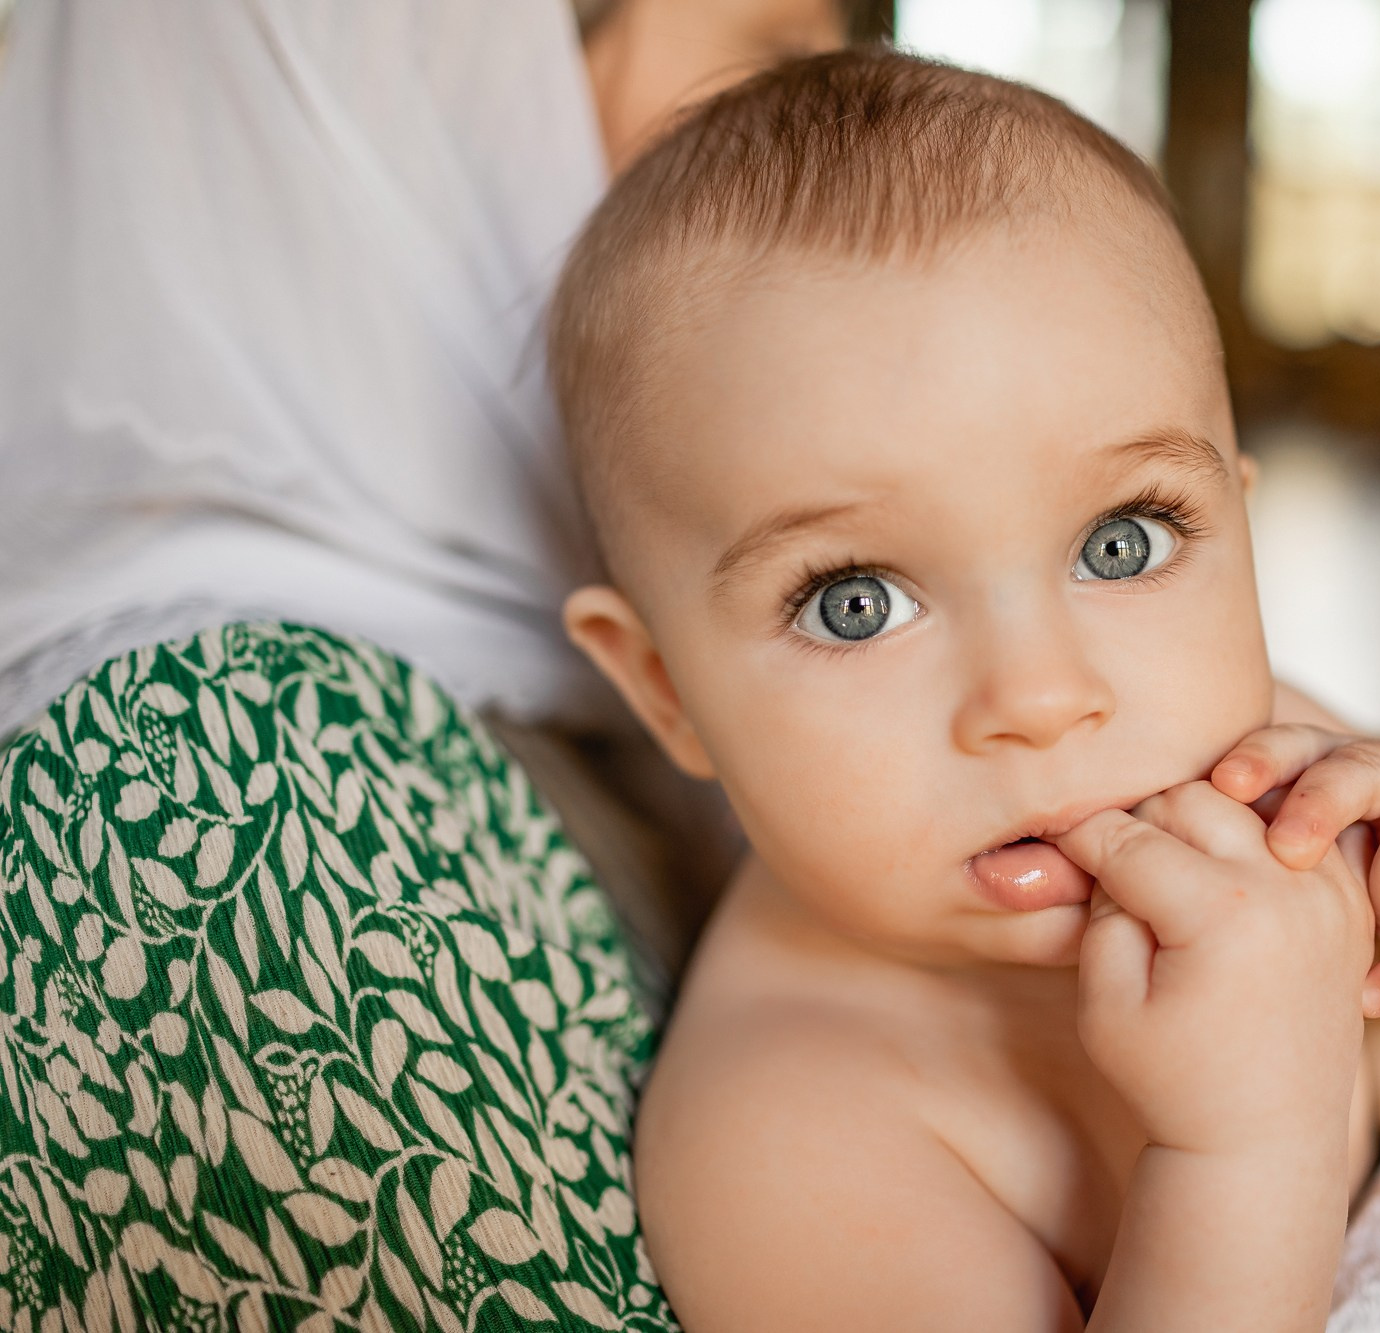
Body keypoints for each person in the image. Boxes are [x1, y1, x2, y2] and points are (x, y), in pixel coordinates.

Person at [547, 48, 1380, 1330]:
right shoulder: (789, 1132)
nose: (1041, 698)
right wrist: (1250, 1140)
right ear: (665, 693)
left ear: (1236, 530)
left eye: (1121, 543)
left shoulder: (1263, 765)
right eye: (853, 601)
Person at [0, 2, 844, 1328]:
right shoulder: (227, 799)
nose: (840, 144)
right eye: (785, 55)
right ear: (427, 93)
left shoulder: (568, 688)